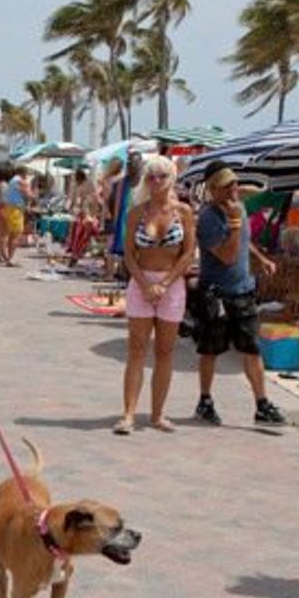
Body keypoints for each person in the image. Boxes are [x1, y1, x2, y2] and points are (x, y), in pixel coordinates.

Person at [192, 166, 287, 427]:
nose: (233, 189)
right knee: (211, 350)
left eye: (235, 183)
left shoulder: (239, 208)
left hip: (243, 290)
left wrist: (260, 258)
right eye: (226, 185)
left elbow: (244, 241)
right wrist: (233, 223)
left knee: (251, 348)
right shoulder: (208, 219)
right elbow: (227, 255)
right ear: (213, 190)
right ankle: (205, 400)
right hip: (217, 294)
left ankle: (262, 404)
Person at [116, 156, 195, 434]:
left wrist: (166, 283)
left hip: (171, 286)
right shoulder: (137, 212)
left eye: (162, 176)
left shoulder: (183, 212)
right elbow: (128, 253)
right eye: (151, 176)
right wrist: (145, 284)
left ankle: (158, 414)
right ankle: (128, 414)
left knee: (165, 351)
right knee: (136, 350)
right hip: (141, 283)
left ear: (172, 178)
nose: (157, 181)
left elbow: (187, 253)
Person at [106, 155, 141, 280]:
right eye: (131, 164)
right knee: (126, 248)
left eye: (136, 164)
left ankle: (128, 274)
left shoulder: (145, 182)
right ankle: (126, 274)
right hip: (124, 219)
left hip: (139, 220)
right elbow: (113, 202)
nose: (133, 167)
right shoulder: (120, 183)